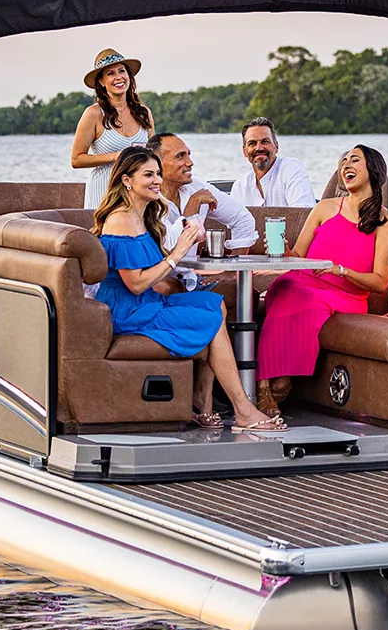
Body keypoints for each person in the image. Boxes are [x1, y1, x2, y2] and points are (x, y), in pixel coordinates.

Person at [91, 146, 285, 433]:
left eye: (158, 174)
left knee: (212, 303)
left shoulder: (142, 215)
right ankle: (243, 410)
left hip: (145, 302)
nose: (157, 180)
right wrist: (178, 253)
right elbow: (137, 284)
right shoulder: (120, 220)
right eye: (148, 175)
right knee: (210, 318)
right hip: (128, 310)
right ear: (127, 180)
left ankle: (203, 402)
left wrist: (185, 248)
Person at [256, 145, 388, 415]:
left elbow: (381, 282)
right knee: (284, 287)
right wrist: (283, 251)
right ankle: (265, 386)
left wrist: (340, 271)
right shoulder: (324, 208)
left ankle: (275, 383)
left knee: (305, 299)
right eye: (344, 161)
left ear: (373, 170)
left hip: (347, 296)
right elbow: (298, 256)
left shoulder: (386, 222)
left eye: (354, 160)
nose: (346, 166)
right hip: (302, 281)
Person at [147, 131, 259, 290]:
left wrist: (232, 270)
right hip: (157, 280)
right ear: (156, 164)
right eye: (180, 156)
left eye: (189, 155)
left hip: (190, 279)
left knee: (243, 293)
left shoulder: (197, 186)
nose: (190, 162)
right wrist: (193, 204)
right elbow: (171, 247)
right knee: (167, 287)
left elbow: (242, 219)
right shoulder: (146, 197)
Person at [71, 48, 154, 208]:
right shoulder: (93, 114)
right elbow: (76, 159)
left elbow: (153, 154)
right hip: (103, 192)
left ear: (129, 76)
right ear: (101, 82)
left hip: (137, 194)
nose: (118, 77)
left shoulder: (144, 113)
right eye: (110, 73)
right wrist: (115, 156)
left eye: (122, 71)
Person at [230, 118, 316, 208]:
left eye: (265, 142)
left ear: (276, 146)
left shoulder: (291, 169)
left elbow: (303, 212)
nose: (259, 148)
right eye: (252, 143)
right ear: (245, 151)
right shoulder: (239, 187)